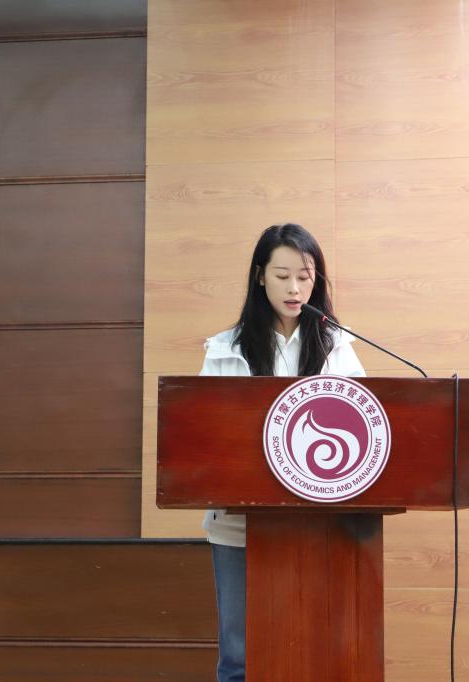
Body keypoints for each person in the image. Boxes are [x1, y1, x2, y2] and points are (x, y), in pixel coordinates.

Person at [198, 223, 365, 682]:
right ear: (260, 276)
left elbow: (365, 427)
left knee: (313, 651)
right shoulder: (225, 350)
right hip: (239, 525)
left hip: (318, 522)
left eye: (305, 277)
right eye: (282, 276)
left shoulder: (338, 347)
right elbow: (203, 434)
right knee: (239, 658)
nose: (294, 289)